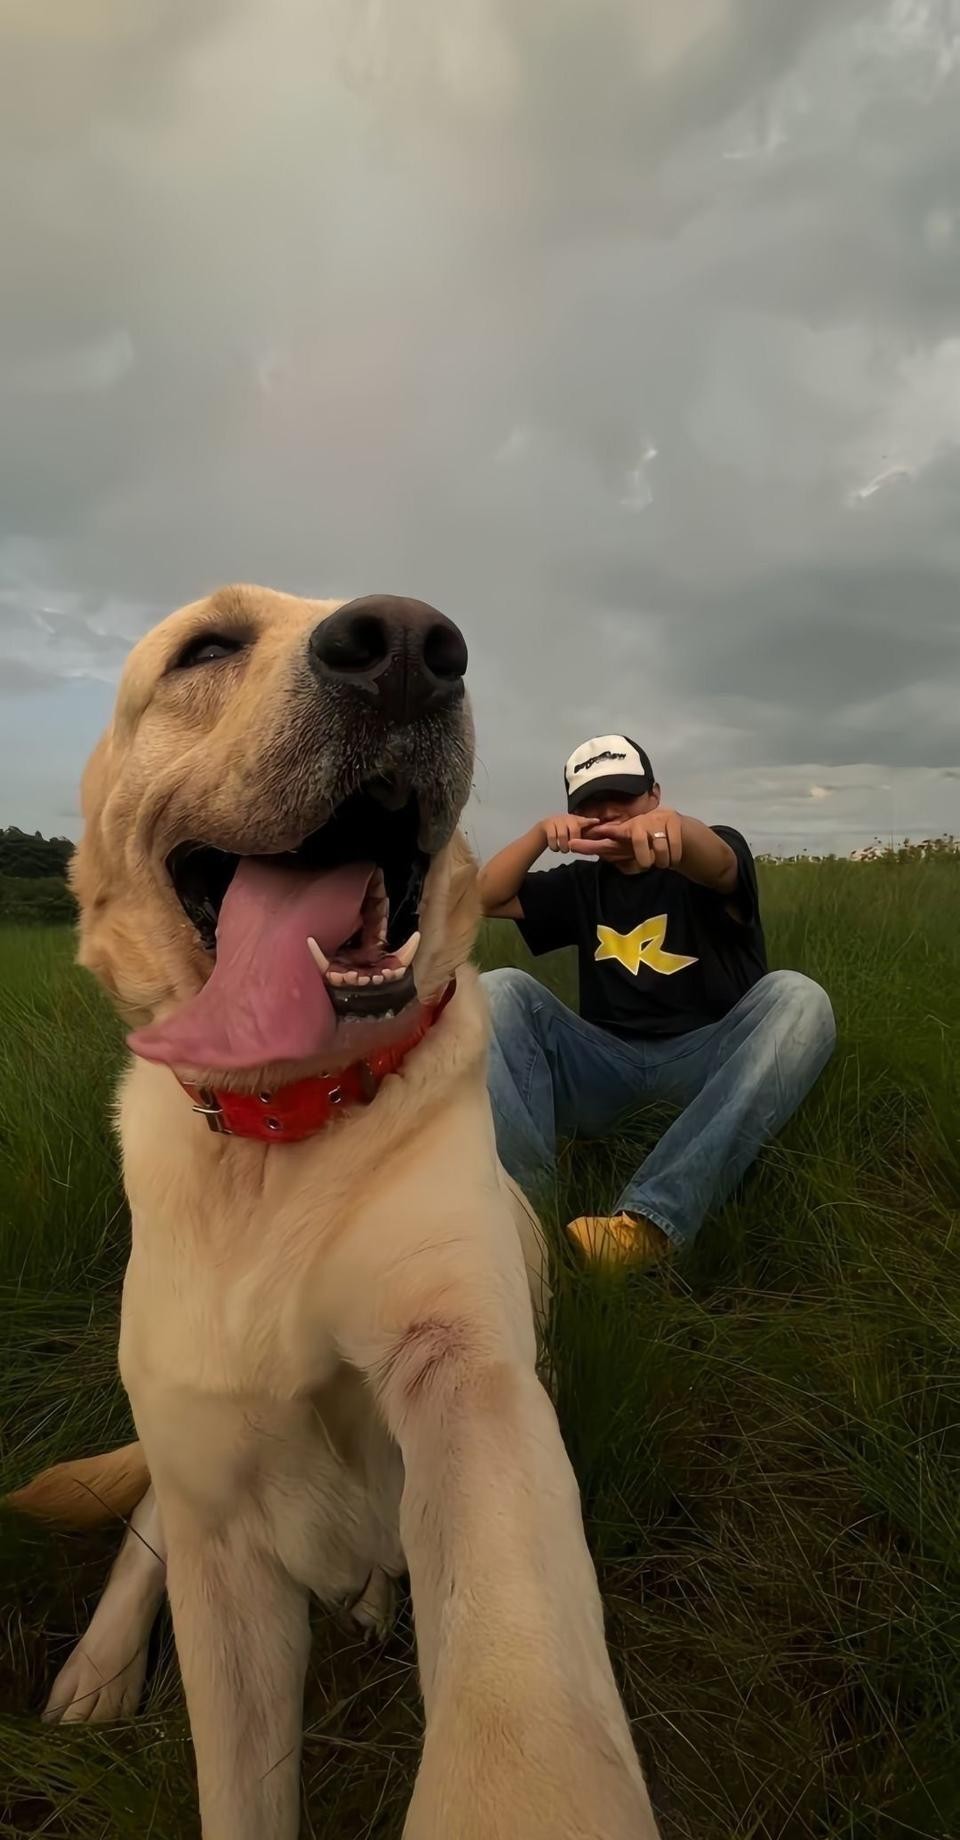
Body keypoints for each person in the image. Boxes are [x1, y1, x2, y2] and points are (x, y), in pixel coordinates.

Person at [479, 734, 836, 1267]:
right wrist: (536, 837)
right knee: (498, 990)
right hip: (605, 1066)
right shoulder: (581, 883)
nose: (611, 816)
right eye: (591, 806)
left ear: (655, 795)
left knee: (801, 999)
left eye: (624, 798)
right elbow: (486, 897)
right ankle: (528, 1222)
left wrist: (676, 830)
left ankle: (646, 1226)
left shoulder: (706, 854)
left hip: (705, 1071)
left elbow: (718, 865)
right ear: (575, 818)